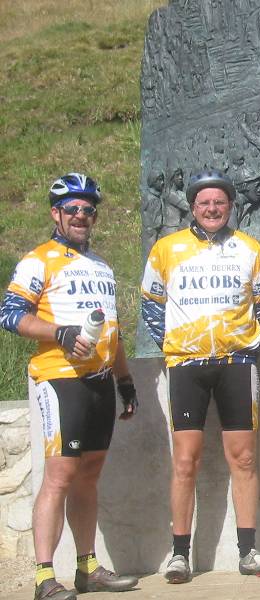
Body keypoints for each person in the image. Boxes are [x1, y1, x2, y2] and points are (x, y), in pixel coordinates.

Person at [0, 173, 139, 600]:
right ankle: (44, 576)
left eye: (88, 209)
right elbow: (10, 315)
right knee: (59, 475)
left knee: (88, 475)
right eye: (73, 209)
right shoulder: (37, 259)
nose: (82, 216)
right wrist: (57, 332)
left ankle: (87, 566)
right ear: (55, 214)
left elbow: (110, 329)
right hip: (59, 378)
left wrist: (125, 380)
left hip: (99, 380)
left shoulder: (101, 266)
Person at [140, 169, 260, 583]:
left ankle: (249, 551)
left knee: (245, 458)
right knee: (185, 460)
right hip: (186, 365)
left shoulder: (249, 249)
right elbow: (151, 305)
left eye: (219, 202)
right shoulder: (167, 249)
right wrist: (180, 343)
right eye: (204, 203)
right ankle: (179, 554)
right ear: (193, 207)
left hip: (236, 364)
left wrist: (245, 343)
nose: (212, 208)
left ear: (230, 207)